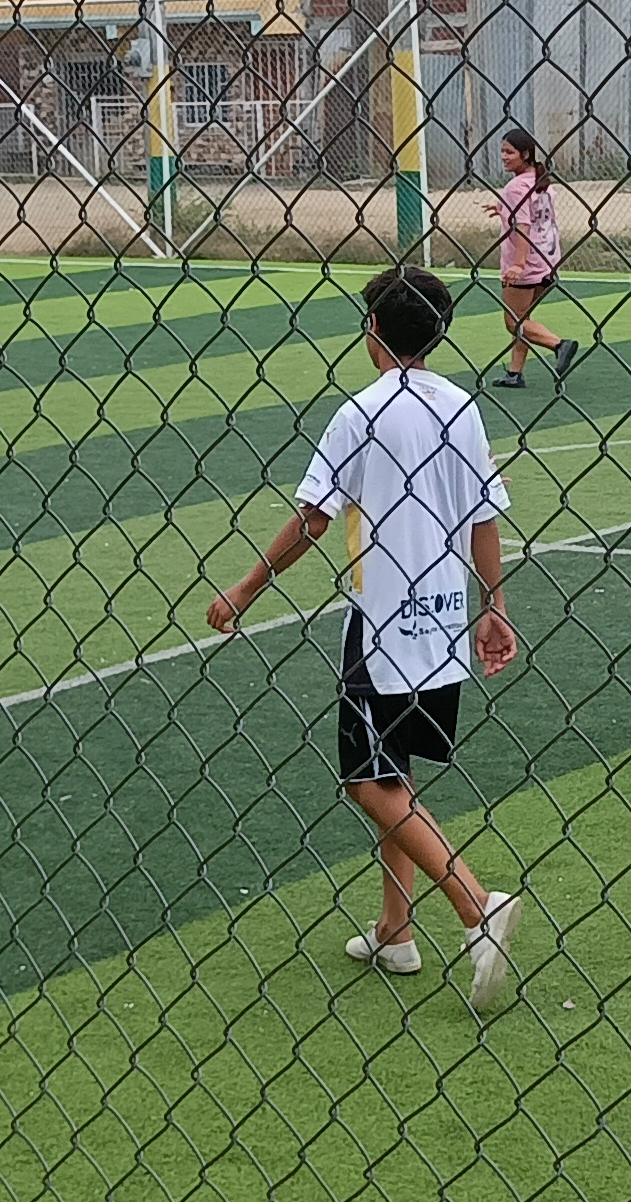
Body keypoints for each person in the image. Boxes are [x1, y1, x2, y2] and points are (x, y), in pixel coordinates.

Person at [208, 266, 529, 1012]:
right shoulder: (461, 407)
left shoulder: (360, 413)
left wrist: (246, 587)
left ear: (373, 330)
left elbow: (314, 518)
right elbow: (485, 517)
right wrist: (494, 605)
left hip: (381, 627)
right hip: (442, 621)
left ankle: (477, 907)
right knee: (395, 774)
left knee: (367, 780)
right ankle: (395, 931)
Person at [480, 128, 582, 388]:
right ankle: (515, 373)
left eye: (510, 152)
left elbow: (523, 226)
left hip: (527, 263)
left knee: (514, 322)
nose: (504, 157)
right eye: (502, 151)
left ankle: (559, 344)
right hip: (548, 259)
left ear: (525, 154)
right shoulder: (541, 181)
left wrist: (518, 264)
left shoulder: (515, 187)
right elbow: (536, 215)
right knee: (524, 317)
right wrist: (502, 209)